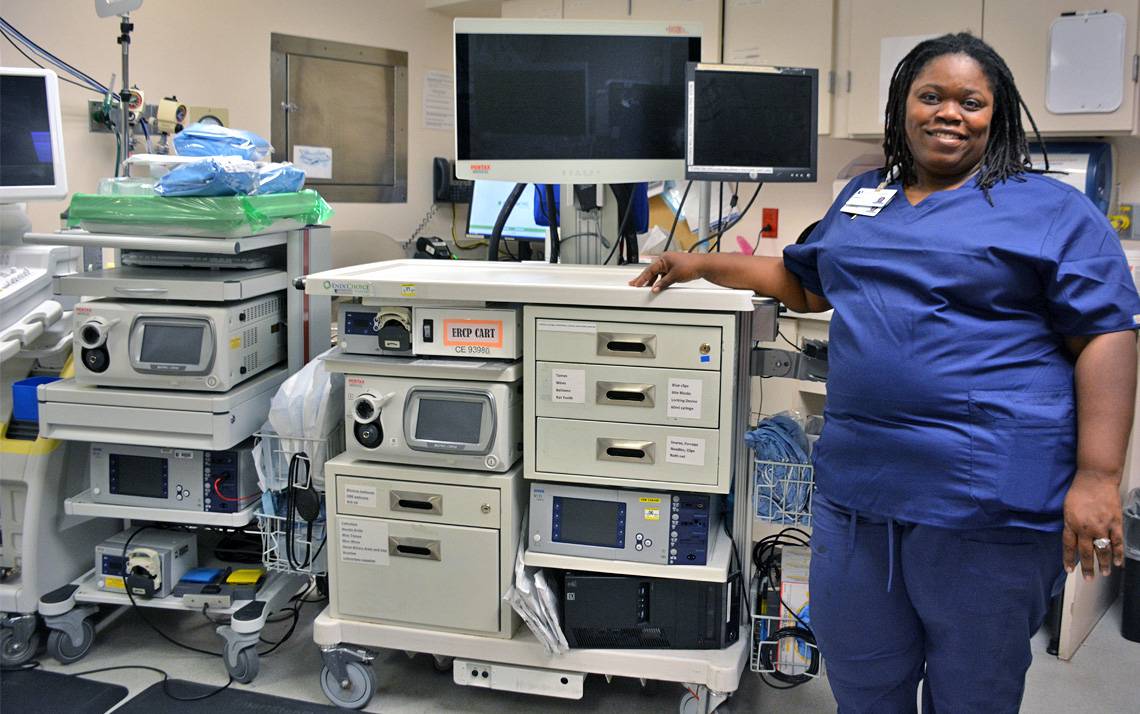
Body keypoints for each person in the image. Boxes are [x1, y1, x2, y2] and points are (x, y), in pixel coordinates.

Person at [631, 33, 1140, 713]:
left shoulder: (1050, 211)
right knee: (864, 674)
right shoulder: (866, 196)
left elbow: (1106, 332)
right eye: (930, 96)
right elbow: (805, 284)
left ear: (999, 114)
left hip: (986, 504)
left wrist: (1098, 476)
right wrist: (700, 262)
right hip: (861, 498)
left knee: (974, 688)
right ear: (903, 108)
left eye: (971, 100)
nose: (949, 113)